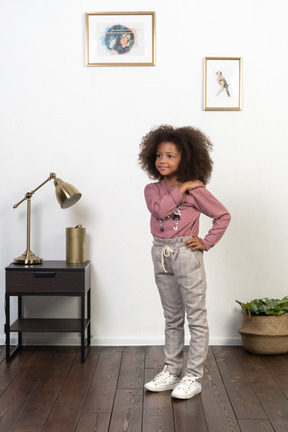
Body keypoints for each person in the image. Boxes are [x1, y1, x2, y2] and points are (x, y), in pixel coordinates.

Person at [138, 125, 231, 400]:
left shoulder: (197, 192)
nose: (163, 161)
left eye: (170, 155)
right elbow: (160, 209)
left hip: (186, 254)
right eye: (158, 155)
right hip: (160, 253)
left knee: (196, 317)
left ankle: (193, 376)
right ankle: (171, 370)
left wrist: (206, 241)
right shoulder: (151, 189)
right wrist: (183, 188)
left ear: (186, 159)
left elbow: (222, 215)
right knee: (172, 316)